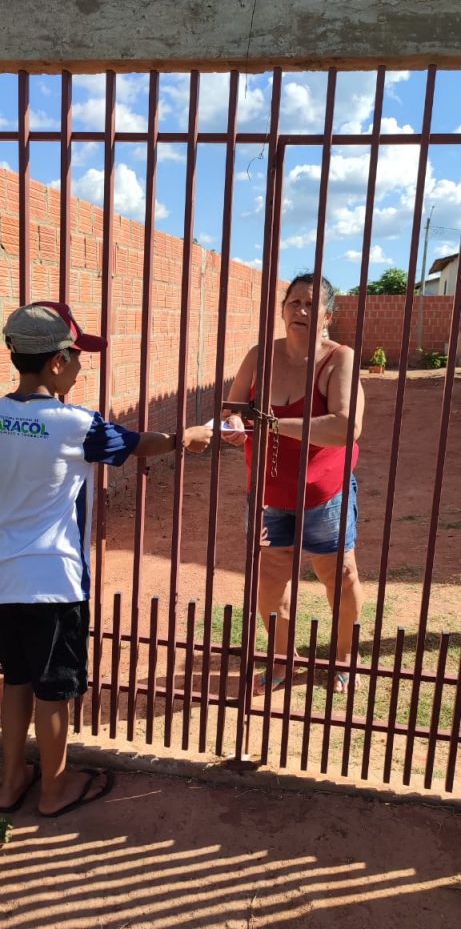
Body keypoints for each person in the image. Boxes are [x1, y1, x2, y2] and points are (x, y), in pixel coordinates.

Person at [0, 300, 212, 817]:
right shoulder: (76, 424)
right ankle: (54, 788)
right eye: (75, 356)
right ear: (55, 362)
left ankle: (9, 782)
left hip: (4, 580)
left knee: (15, 679)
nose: (79, 365)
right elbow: (142, 444)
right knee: (53, 690)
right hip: (54, 581)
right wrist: (186, 439)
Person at [222, 273, 364, 694]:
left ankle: (343, 656)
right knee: (270, 580)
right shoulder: (260, 355)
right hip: (267, 493)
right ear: (282, 308)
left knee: (338, 574)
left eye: (310, 304)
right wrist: (233, 422)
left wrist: (269, 424)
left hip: (325, 493)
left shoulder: (339, 358)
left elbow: (345, 427)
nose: (300, 310)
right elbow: (233, 406)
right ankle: (282, 660)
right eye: (293, 302)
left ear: (327, 315)